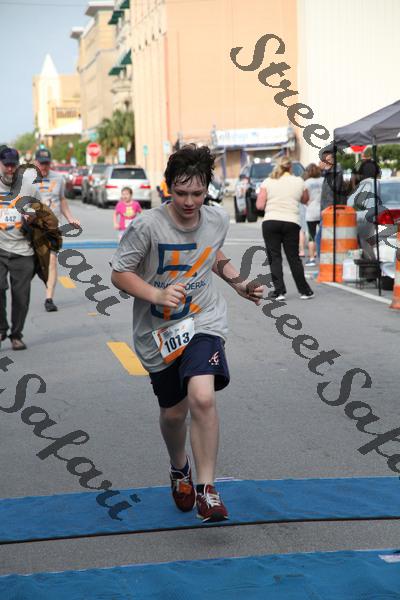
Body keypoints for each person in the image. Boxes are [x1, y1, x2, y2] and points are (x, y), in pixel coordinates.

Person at [111, 144, 263, 523]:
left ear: (207, 189)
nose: (190, 202)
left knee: (202, 397)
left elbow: (212, 254)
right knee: (174, 412)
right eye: (181, 193)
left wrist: (238, 283)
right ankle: (179, 467)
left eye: (197, 193)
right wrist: (156, 294)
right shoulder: (147, 226)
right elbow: (119, 273)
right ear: (168, 189)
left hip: (202, 319)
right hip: (158, 331)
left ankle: (207, 490)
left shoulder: (217, 219)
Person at [256, 156, 314, 300]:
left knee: (274, 258)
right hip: (291, 222)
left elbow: (260, 205)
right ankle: (304, 291)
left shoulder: (268, 181)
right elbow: (305, 200)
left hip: (271, 221)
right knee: (293, 258)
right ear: (290, 167)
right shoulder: (299, 181)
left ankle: (279, 291)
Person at [0, 148, 40, 349]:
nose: (9, 168)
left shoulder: (29, 188)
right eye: (6, 164)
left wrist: (32, 217)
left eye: (13, 165)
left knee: (21, 297)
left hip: (23, 250)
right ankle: (1, 327)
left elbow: (42, 215)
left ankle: (16, 335)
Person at [34, 148, 80, 312]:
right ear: (35, 162)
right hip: (33, 227)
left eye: (46, 163)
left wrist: (70, 218)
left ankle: (49, 298)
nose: (44, 167)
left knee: (52, 260)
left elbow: (62, 200)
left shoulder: (58, 178)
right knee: (34, 263)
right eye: (41, 163)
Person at [303, 163, 323, 267]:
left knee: (312, 235)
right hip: (322, 211)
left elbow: (304, 198)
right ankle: (323, 257)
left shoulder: (307, 183)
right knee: (323, 235)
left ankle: (312, 258)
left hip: (311, 211)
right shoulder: (323, 180)